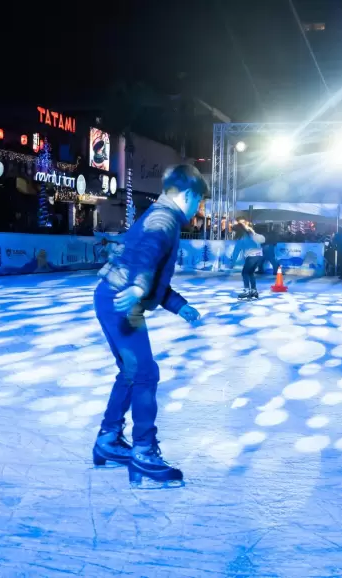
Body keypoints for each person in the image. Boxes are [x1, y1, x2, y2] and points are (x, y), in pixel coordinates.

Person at [92, 164, 207, 487]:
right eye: (199, 201)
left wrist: (178, 305)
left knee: (132, 373)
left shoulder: (161, 214)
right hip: (121, 300)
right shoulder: (164, 219)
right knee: (144, 374)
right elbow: (146, 259)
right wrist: (139, 288)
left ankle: (108, 440)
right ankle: (143, 451)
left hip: (113, 297)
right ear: (187, 195)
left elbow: (151, 272)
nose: (200, 209)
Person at [229, 222, 266, 300]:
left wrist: (232, 262)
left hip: (252, 255)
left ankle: (246, 291)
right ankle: (253, 290)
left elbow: (236, 251)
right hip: (259, 255)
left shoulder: (241, 238)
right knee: (250, 273)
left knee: (244, 273)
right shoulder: (250, 234)